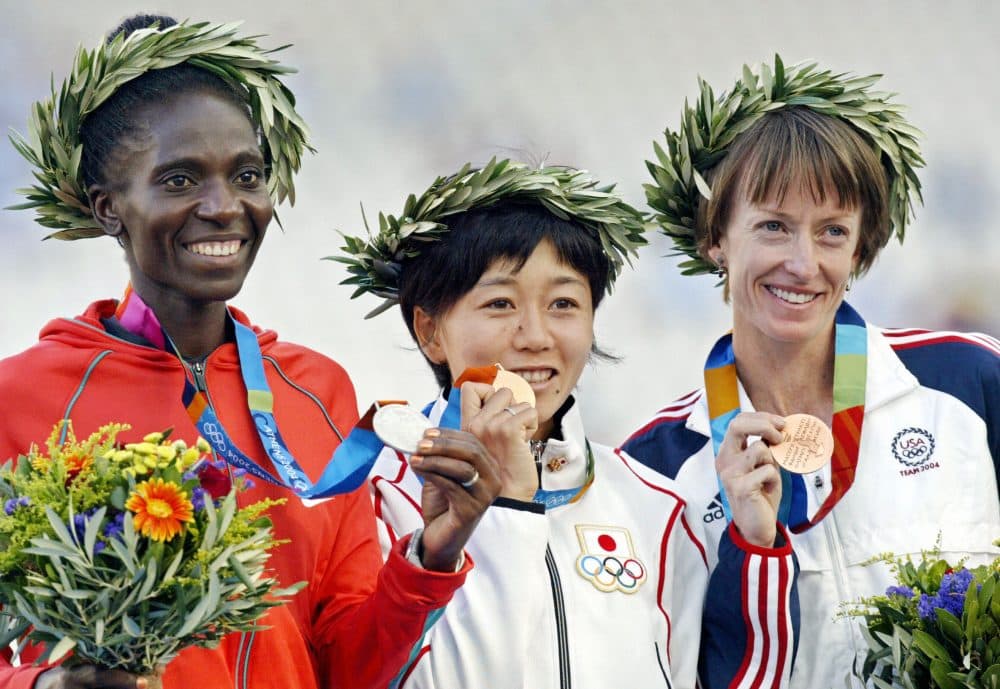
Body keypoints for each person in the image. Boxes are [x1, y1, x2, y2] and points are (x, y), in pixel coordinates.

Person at [0, 15, 498, 689]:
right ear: (108, 207)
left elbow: (346, 669)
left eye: (247, 174)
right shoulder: (21, 398)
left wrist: (430, 555)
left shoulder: (318, 390)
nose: (223, 205)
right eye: (179, 180)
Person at [335, 159, 798, 689]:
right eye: (500, 303)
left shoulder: (655, 507)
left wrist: (757, 553)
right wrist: (508, 504)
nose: (535, 336)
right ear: (430, 330)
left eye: (563, 303)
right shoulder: (377, 501)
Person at [622, 56, 1000, 688]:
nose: (803, 264)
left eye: (831, 232)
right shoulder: (656, 467)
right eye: (773, 226)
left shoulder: (967, 381)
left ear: (860, 247)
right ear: (716, 237)